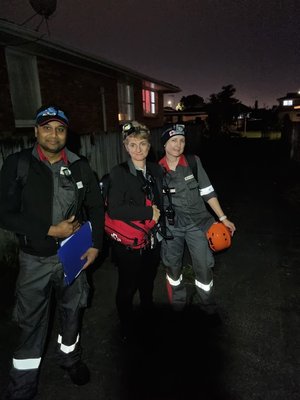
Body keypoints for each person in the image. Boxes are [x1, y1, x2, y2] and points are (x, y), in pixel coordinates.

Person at [0, 105, 104, 400]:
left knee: (73, 311)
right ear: (36, 131)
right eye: (47, 128)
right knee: (32, 321)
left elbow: (96, 207)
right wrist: (49, 230)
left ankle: (70, 358)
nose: (53, 134)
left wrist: (96, 244)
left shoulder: (80, 165)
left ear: (66, 134)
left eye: (60, 129)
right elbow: (4, 213)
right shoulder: (18, 164)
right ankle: (22, 387)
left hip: (75, 254)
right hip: (35, 259)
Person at [159, 124, 236, 315]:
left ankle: (208, 307)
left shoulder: (193, 162)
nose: (178, 145)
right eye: (173, 141)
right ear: (164, 145)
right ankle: (177, 304)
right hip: (172, 227)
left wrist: (222, 217)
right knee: (172, 267)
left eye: (182, 140)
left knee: (203, 268)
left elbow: (207, 191)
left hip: (197, 224)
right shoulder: (157, 169)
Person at [107, 121, 163, 341]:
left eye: (142, 144)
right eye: (133, 144)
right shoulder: (119, 172)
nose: (138, 149)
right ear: (125, 147)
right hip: (128, 244)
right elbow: (115, 209)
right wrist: (148, 212)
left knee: (148, 281)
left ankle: (148, 316)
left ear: (149, 146)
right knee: (127, 286)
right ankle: (127, 325)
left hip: (152, 240)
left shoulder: (157, 170)